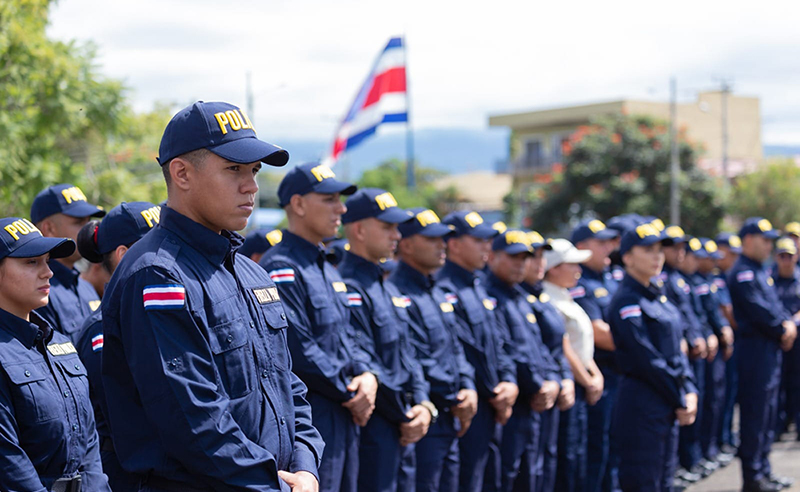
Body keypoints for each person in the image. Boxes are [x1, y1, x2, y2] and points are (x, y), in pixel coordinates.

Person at [101, 101, 324, 491]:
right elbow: (190, 419)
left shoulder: (249, 272)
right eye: (234, 169)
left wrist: (306, 465)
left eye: (254, 171)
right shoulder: (158, 274)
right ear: (182, 173)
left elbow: (288, 384)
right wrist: (274, 483)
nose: (252, 185)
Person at [260, 162, 378, 492]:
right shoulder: (282, 267)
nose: (341, 208)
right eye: (329, 199)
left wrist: (367, 374)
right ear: (297, 204)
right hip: (314, 417)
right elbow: (299, 348)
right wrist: (352, 388)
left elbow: (347, 334)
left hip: (346, 410)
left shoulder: (325, 265)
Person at [0, 216, 110, 491]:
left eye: (47, 261)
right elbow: (8, 460)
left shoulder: (59, 344)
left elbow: (89, 439)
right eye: (31, 262)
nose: (47, 272)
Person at [338, 188, 433, 492]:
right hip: (377, 427)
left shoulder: (385, 287)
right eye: (387, 227)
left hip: (405, 423)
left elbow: (408, 353)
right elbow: (363, 358)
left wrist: (422, 402)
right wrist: (405, 413)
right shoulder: (348, 286)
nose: (397, 235)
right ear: (360, 230)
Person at [72, 201, 161, 492]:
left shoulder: (151, 313)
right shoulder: (103, 328)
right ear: (125, 255)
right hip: (130, 476)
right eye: (159, 243)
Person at [391, 208, 478, 492]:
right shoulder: (398, 292)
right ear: (406, 244)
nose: (441, 245)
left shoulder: (437, 291)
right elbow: (414, 355)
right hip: (426, 415)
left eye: (443, 239)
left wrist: (468, 386)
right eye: (431, 239)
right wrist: (456, 396)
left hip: (451, 414)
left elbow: (456, 347)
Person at [607, 222, 698, 492]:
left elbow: (676, 351)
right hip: (642, 404)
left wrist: (690, 388)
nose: (657, 255)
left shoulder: (659, 298)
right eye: (648, 249)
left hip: (667, 402)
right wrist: (681, 394)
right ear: (627, 257)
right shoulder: (626, 301)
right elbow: (646, 359)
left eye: (660, 249)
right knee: (643, 481)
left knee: (664, 480)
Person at [436, 211, 519, 492]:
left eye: (488, 241)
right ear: (454, 244)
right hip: (473, 405)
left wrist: (510, 381)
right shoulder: (445, 288)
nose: (487, 247)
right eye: (479, 240)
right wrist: (496, 393)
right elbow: (465, 349)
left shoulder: (478, 286)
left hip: (493, 403)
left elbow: (500, 342)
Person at [484, 229, 562, 492]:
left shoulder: (520, 297)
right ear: (492, 257)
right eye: (514, 257)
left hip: (534, 402)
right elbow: (505, 350)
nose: (521, 264)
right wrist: (539, 384)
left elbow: (540, 349)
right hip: (513, 404)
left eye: (525, 258)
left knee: (533, 472)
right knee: (508, 475)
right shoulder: (489, 297)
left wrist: (552, 381)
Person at [728, 217, 796, 492]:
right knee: (755, 415)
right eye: (764, 240)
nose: (769, 245)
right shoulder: (743, 272)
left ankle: (764, 471)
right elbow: (760, 311)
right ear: (747, 240)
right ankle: (753, 477)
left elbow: (775, 305)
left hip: (769, 350)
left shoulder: (759, 270)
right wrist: (783, 327)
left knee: (767, 414)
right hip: (754, 351)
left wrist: (786, 324)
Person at [542, 238, 602, 492]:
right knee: (567, 455)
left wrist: (594, 373)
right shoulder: (549, 298)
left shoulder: (564, 294)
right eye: (572, 264)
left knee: (578, 452)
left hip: (581, 382)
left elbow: (582, 346)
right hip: (571, 385)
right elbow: (564, 347)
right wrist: (587, 380)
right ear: (554, 268)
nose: (579, 269)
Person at [520, 231, 575, 492]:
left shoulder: (542, 296)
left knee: (546, 463)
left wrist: (564, 378)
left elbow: (556, 346)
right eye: (531, 256)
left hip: (553, 390)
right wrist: (550, 382)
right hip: (532, 395)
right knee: (527, 470)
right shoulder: (516, 299)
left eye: (542, 256)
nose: (538, 262)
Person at [570, 219, 621, 492]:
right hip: (599, 375)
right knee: (595, 447)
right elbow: (598, 332)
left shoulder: (610, 277)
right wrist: (638, 343)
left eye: (609, 242)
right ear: (582, 247)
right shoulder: (581, 283)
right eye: (601, 243)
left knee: (615, 443)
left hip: (619, 374)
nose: (608, 248)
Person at [30, 183, 106, 342]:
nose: (88, 230)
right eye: (79, 223)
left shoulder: (86, 287)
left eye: (88, 221)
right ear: (49, 229)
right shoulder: (39, 290)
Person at [691, 238, 735, 469]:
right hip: (702, 348)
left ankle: (711, 448)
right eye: (707, 258)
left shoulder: (712, 280)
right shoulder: (693, 282)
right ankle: (697, 455)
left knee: (716, 400)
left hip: (715, 346)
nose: (711, 263)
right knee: (703, 401)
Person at [715, 231, 741, 455]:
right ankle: (719, 441)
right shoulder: (716, 277)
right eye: (729, 253)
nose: (733, 258)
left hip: (729, 343)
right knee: (718, 397)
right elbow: (727, 312)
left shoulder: (728, 276)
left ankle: (725, 438)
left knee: (728, 395)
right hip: (721, 344)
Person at [772, 237, 800, 444]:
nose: (786, 260)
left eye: (789, 256)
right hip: (778, 340)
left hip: (797, 340)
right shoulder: (770, 280)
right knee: (778, 384)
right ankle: (778, 426)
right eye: (782, 256)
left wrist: (793, 323)